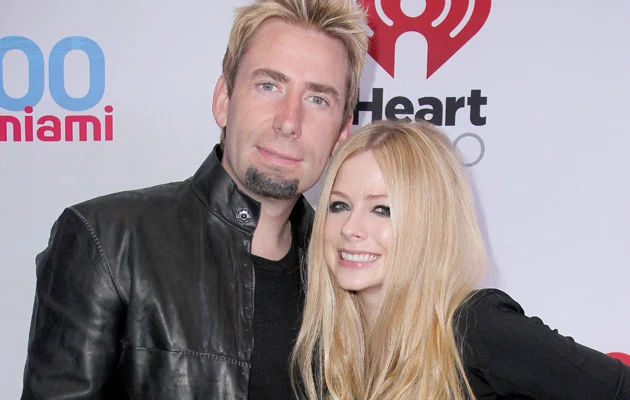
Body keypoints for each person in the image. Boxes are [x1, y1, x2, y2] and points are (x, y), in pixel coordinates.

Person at [21, 1, 369, 398]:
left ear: (342, 133)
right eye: (269, 85)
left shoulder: (349, 269)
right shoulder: (107, 242)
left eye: (318, 99)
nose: (289, 121)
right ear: (223, 100)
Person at [291, 119, 630, 399]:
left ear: (429, 222)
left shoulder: (475, 327)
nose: (350, 228)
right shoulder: (329, 348)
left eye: (383, 209)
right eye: (339, 205)